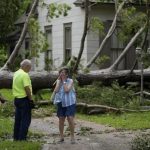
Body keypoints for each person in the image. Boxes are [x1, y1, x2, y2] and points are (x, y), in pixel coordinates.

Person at [53, 67, 76, 144]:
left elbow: (66, 90)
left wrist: (64, 82)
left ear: (66, 74)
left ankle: (72, 137)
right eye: (60, 73)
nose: (61, 74)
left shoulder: (71, 81)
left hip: (70, 103)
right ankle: (61, 137)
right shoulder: (58, 81)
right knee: (61, 119)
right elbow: (56, 91)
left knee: (70, 118)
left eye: (63, 73)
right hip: (61, 103)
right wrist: (59, 82)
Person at [12, 59, 33, 141]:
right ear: (26, 66)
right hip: (24, 100)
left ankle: (16, 137)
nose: (30, 69)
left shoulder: (16, 73)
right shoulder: (25, 75)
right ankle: (22, 138)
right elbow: (27, 88)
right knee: (25, 119)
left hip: (17, 99)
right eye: (29, 67)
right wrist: (31, 100)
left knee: (18, 119)